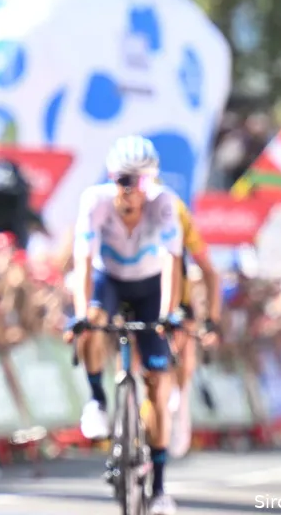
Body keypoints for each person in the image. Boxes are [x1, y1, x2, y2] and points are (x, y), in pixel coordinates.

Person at [70, 136, 181, 515]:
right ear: (111, 178)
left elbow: (171, 262)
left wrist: (167, 314)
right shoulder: (94, 201)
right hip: (110, 280)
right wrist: (83, 312)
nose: (131, 191)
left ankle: (161, 488)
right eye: (122, 180)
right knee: (92, 322)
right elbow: (82, 261)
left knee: (158, 382)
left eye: (142, 182)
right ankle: (96, 400)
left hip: (151, 288)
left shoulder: (165, 204)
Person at [168, 197, 221, 459]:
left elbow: (210, 273)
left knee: (182, 348)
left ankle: (180, 398)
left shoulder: (179, 215)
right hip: (138, 295)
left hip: (179, 299)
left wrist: (211, 321)